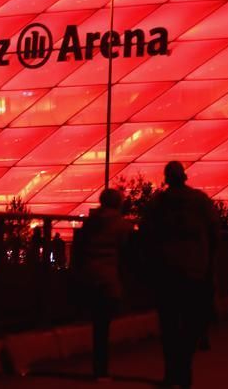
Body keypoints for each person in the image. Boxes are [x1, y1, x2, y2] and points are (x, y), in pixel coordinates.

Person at [141, 161, 219, 389]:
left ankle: (171, 373)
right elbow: (214, 232)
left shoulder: (157, 203)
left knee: (169, 325)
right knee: (191, 323)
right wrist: (208, 261)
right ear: (184, 177)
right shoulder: (200, 201)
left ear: (167, 179)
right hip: (195, 272)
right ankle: (184, 371)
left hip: (165, 273)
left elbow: (146, 235)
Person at [70, 188, 131, 380]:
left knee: (98, 324)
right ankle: (101, 369)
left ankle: (98, 368)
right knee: (104, 324)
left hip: (90, 276)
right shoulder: (122, 225)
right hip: (108, 279)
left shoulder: (90, 222)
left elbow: (78, 248)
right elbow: (129, 252)